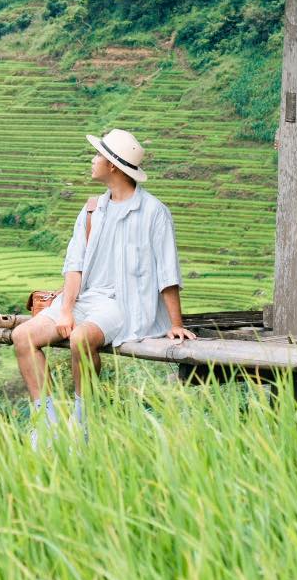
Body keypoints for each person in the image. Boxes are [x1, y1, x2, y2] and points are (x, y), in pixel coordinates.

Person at [12, 128, 196, 438]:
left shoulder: (154, 213)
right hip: (86, 300)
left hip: (125, 305)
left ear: (112, 165)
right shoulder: (91, 210)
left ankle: (83, 422)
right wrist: (66, 310)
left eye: (99, 155)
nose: (93, 160)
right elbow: (74, 267)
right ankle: (45, 423)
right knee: (22, 337)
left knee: (81, 338)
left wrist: (175, 323)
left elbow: (168, 274)